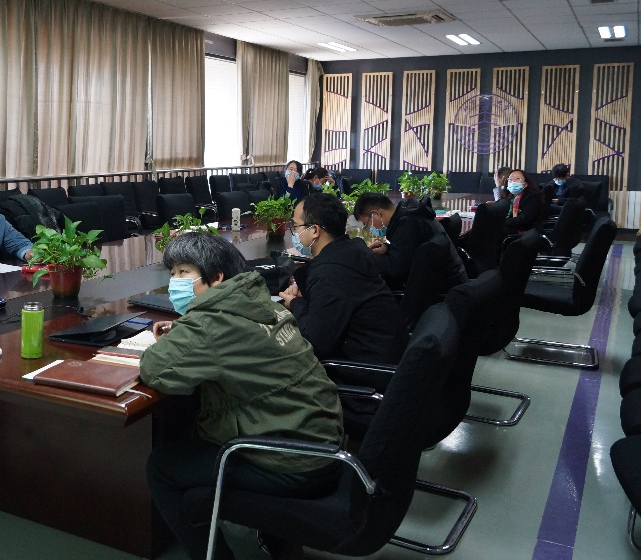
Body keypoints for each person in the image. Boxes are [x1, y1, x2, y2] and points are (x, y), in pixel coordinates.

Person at [140, 233, 343, 560]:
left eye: (184, 272)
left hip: (290, 463)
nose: (174, 281)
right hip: (321, 442)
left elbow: (156, 369)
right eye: (172, 273)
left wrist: (187, 334)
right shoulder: (260, 303)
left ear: (217, 277)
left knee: (162, 466)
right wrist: (189, 331)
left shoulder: (212, 323)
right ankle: (280, 540)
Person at [278, 193, 405, 364]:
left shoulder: (330, 273)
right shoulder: (350, 254)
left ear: (315, 230)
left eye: (296, 226)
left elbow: (315, 343)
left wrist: (295, 304)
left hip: (365, 366)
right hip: (384, 351)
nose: (295, 233)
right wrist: (307, 295)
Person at [352, 191, 439, 290]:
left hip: (430, 287)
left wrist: (370, 256)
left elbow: (397, 270)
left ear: (376, 214)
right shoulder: (409, 213)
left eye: (366, 224)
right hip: (434, 277)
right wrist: (387, 249)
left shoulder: (407, 225)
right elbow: (408, 252)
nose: (369, 228)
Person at [503, 169, 547, 235]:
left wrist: (500, 221)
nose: (513, 181)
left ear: (525, 184)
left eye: (517, 179)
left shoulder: (533, 197)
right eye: (510, 179)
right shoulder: (510, 197)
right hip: (513, 228)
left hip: (528, 233)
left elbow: (523, 220)